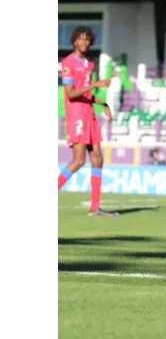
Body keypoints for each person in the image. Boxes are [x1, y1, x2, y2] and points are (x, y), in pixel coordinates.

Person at [57, 26, 116, 217]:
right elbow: (71, 93)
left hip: (89, 113)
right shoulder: (67, 63)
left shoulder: (89, 64)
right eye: (81, 39)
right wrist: (95, 84)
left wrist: (102, 103)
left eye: (88, 40)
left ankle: (95, 207)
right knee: (79, 160)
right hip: (76, 115)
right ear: (74, 41)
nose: (85, 42)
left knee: (97, 158)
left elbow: (87, 93)